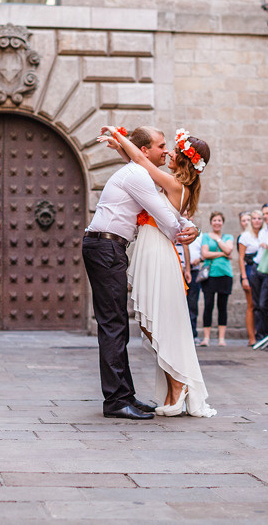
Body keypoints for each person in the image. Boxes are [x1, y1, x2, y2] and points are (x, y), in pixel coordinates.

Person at [83, 126, 199, 420]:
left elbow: (163, 204)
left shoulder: (139, 172)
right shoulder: (138, 175)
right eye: (161, 146)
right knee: (114, 325)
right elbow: (162, 214)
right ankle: (116, 400)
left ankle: (124, 394)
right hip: (105, 247)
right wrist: (184, 231)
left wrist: (187, 226)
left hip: (109, 247)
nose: (166, 150)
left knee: (117, 323)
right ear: (145, 151)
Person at [199, 212, 233, 347]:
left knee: (222, 307)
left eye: (219, 220)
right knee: (208, 305)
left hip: (225, 274)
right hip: (210, 275)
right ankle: (206, 338)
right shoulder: (206, 236)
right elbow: (204, 253)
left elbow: (229, 250)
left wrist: (218, 240)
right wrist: (222, 253)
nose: (217, 222)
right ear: (211, 222)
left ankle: (221, 338)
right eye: (214, 220)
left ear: (222, 222)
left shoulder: (228, 236)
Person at [249, 203, 268, 342]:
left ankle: (267, 335)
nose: (265, 217)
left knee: (264, 303)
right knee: (257, 304)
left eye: (267, 214)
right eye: (264, 214)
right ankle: (260, 336)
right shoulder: (263, 230)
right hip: (258, 266)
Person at [237, 210, 263, 345]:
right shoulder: (245, 236)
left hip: (262, 270)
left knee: (262, 304)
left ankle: (261, 334)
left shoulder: (265, 235)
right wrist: (244, 277)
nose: (257, 221)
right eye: (254, 218)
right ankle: (251, 338)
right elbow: (241, 258)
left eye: (259, 218)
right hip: (249, 270)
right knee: (251, 304)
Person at [178, 227, 203, 340]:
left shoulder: (198, 233)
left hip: (192, 270)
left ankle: (192, 333)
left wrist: (188, 268)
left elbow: (187, 248)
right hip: (177, 269)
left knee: (192, 303)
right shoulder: (176, 228)